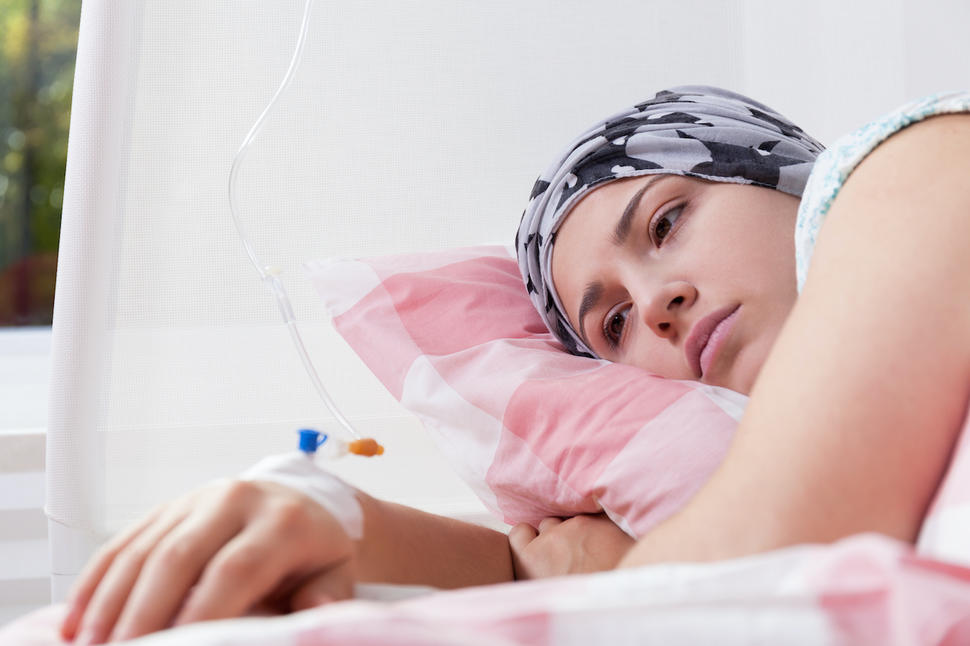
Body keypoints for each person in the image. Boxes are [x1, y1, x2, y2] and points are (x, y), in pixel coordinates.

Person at [59, 86, 970, 644]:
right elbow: (532, 564)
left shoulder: (916, 162)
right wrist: (335, 516)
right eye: (614, 324)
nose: (655, 305)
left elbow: (754, 558)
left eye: (665, 222)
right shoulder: (742, 457)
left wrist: (616, 570)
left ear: (777, 172)